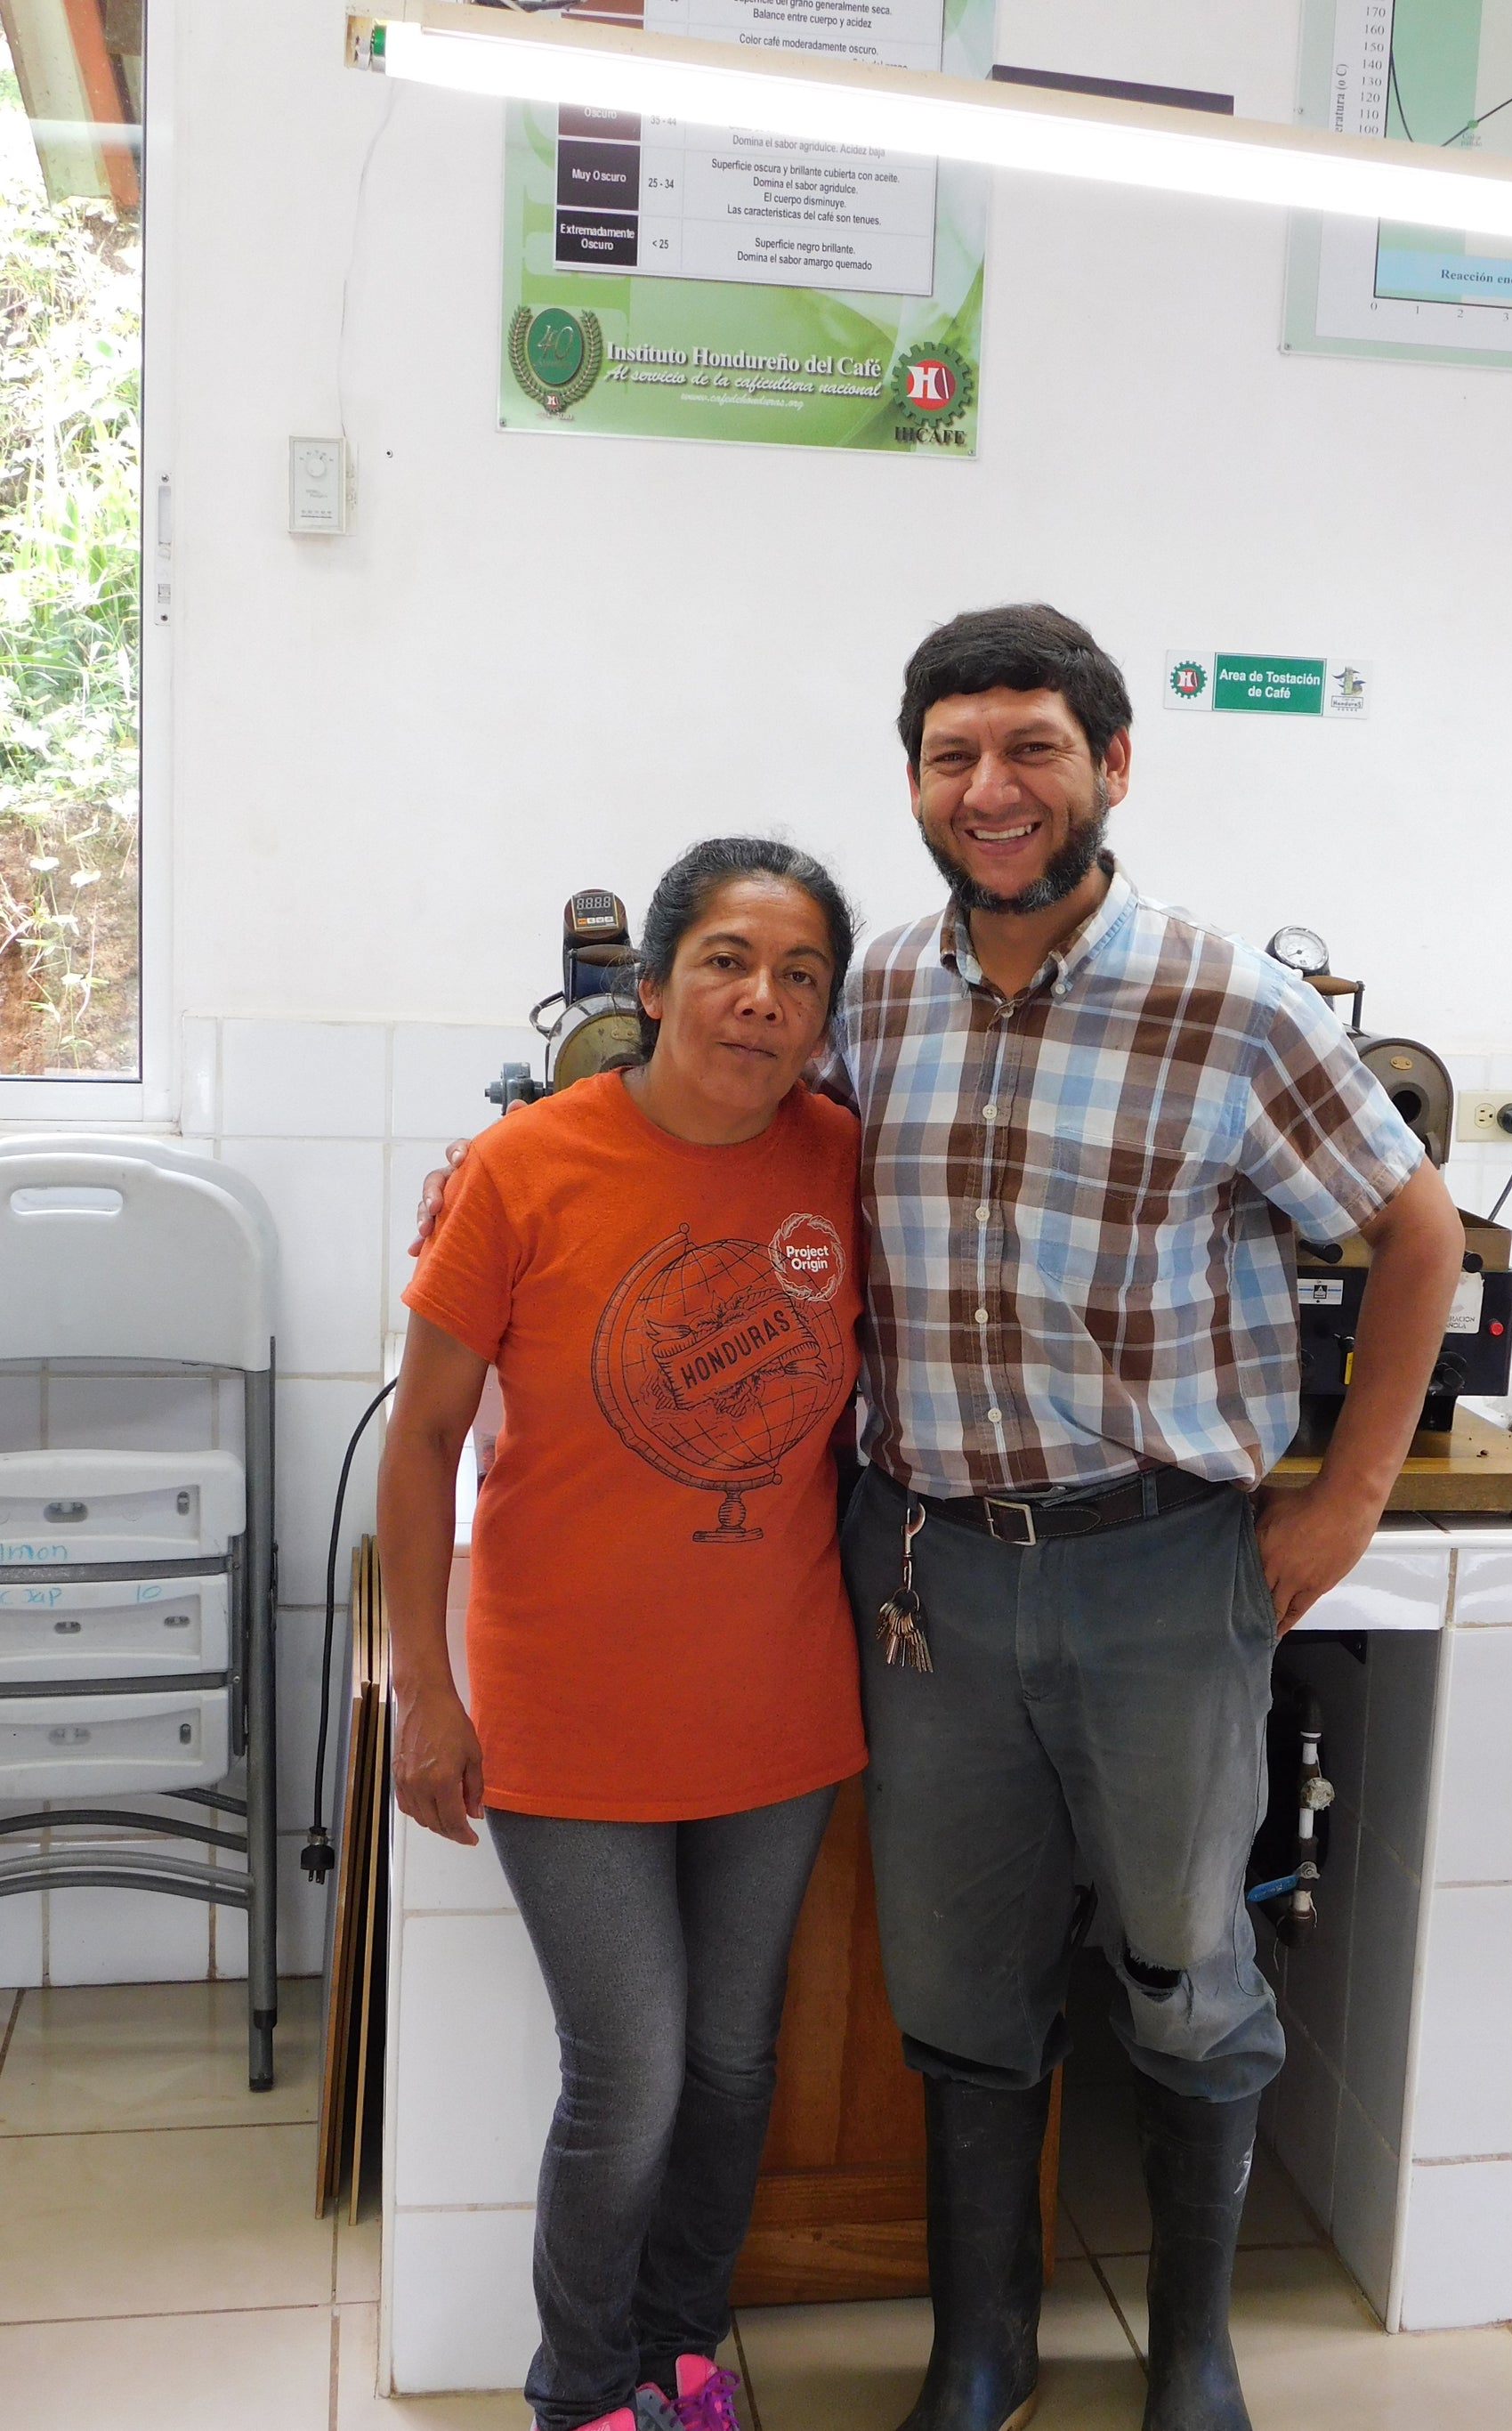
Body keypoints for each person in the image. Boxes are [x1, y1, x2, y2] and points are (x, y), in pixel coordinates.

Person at [415, 606, 1465, 2431]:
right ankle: (977, 2347)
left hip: (1160, 1566)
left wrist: (1347, 1494)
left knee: (1185, 1966)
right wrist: (509, 1166)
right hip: (923, 1582)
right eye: (952, 754)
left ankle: (1194, 2357)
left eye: (1031, 749)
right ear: (911, 780)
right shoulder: (874, 992)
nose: (991, 789)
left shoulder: (1229, 1000)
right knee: (962, 1988)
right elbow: (700, 1132)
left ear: (1110, 768)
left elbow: (1419, 1230)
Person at [381, 838, 869, 2431]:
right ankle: (582, 2393)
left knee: (736, 2067)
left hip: (776, 1703)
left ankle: (681, 2353)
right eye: (728, 962)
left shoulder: (841, 1162)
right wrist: (423, 1691)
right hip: (566, 1707)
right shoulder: (524, 1167)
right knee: (634, 2072)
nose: (762, 1001)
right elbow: (423, 1440)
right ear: (650, 984)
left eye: (801, 976)